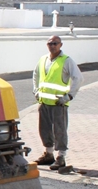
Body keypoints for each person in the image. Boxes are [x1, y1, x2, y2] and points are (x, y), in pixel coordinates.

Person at [32, 35, 83, 170]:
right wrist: (36, 90)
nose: (52, 45)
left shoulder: (66, 61)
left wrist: (69, 96)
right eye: (50, 43)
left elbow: (78, 78)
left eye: (55, 43)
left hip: (58, 103)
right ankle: (49, 154)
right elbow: (36, 75)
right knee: (45, 129)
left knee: (60, 130)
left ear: (60, 45)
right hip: (44, 102)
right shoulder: (43, 59)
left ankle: (61, 157)